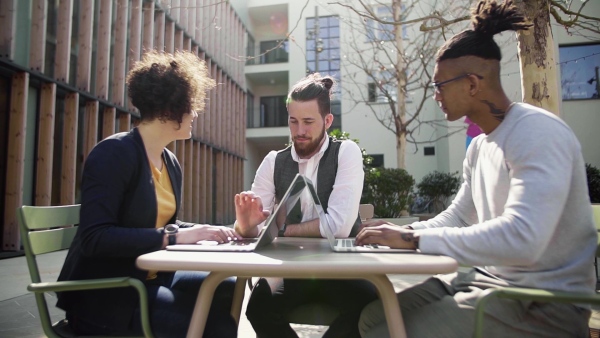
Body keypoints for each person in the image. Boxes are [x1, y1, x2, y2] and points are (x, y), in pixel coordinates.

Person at [355, 1, 597, 337]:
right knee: (373, 317)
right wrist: (394, 234)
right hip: (487, 282)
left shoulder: (538, 132)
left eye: (439, 85)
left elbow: (522, 239)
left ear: (471, 84)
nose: (435, 95)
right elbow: (458, 216)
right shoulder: (481, 145)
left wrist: (413, 238)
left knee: (387, 332)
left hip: (542, 303)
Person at [56, 50, 263, 338]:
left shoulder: (170, 161)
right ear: (171, 108)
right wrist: (176, 237)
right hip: (109, 296)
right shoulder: (113, 154)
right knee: (217, 327)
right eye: (191, 105)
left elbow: (162, 225)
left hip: (149, 281)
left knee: (225, 287)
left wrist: (212, 231)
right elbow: (95, 238)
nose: (195, 113)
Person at [235, 73, 378, 337]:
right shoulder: (272, 161)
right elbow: (256, 228)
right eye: (293, 121)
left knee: (372, 305)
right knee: (258, 307)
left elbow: (340, 226)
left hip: (342, 267)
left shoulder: (346, 152)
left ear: (328, 121)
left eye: (309, 122)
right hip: (290, 269)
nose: (299, 131)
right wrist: (244, 224)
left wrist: (282, 229)